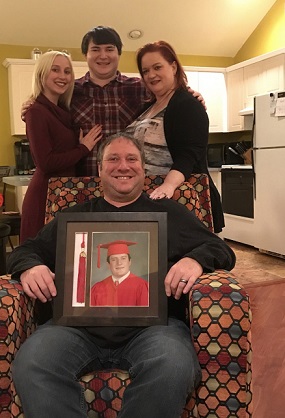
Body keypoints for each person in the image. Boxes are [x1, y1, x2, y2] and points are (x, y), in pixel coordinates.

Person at [7, 132, 235, 418]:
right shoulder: (75, 217)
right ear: (100, 170)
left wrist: (195, 259)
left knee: (174, 363)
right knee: (32, 362)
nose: (123, 166)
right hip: (75, 330)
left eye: (131, 159)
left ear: (143, 168)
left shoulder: (169, 214)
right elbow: (24, 250)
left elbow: (220, 248)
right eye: (113, 159)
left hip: (154, 330)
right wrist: (30, 265)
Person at [22, 26, 205, 177]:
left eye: (109, 49)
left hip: (128, 186)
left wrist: (191, 95)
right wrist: (31, 107)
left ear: (119, 54)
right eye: (95, 50)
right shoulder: (70, 92)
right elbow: (47, 114)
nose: (103, 56)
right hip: (83, 185)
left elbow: (170, 94)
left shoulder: (139, 88)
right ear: (86, 55)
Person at [124, 40, 224, 233]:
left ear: (173, 66)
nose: (151, 75)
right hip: (152, 202)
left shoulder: (187, 104)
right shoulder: (148, 107)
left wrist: (168, 186)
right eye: (145, 71)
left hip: (178, 201)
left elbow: (190, 154)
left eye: (157, 67)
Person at [20, 50, 102, 243]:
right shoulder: (36, 111)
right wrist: (83, 148)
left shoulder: (63, 110)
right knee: (40, 260)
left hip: (63, 192)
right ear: (42, 74)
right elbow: (46, 162)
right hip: (45, 195)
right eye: (55, 70)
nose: (62, 76)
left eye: (67, 71)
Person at [90, 240, 149, 306]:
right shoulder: (97, 288)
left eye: (123, 258)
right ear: (108, 264)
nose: (119, 263)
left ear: (129, 262)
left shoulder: (142, 286)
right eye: (114, 259)